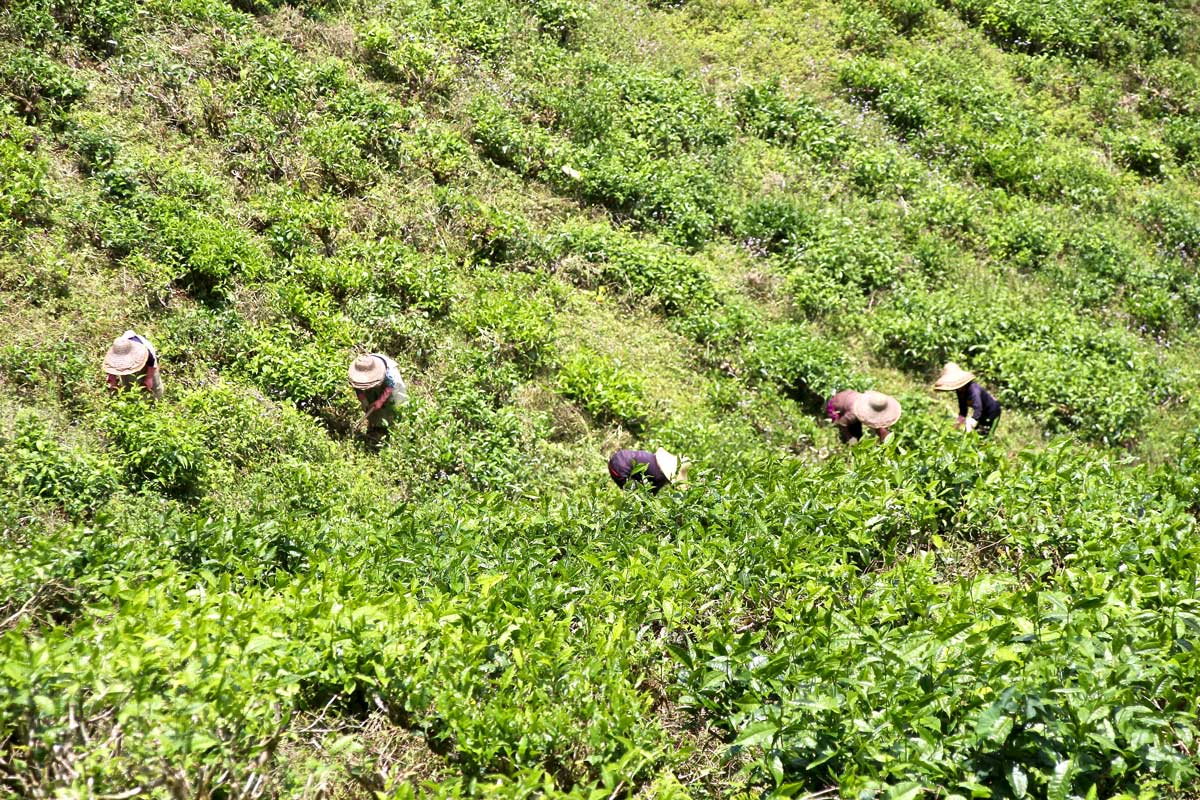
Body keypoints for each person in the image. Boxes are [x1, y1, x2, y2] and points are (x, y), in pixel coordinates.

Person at [934, 362, 1001, 436]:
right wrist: (959, 420)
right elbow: (963, 407)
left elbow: (978, 407)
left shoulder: (974, 389)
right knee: (977, 433)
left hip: (992, 411)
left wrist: (973, 420)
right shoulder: (960, 390)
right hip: (983, 412)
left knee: (984, 433)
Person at [348, 353, 408, 433]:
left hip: (391, 385)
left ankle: (395, 428)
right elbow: (356, 386)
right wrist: (363, 399)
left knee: (396, 403)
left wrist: (380, 401)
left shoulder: (388, 373)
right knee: (371, 404)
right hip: (374, 385)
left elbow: (391, 384)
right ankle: (376, 425)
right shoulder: (357, 372)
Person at [103, 330, 163, 398]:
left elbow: (152, 363)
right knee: (128, 386)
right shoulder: (117, 350)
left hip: (148, 365)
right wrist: (111, 377)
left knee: (154, 388)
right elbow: (111, 365)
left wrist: (149, 378)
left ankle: (155, 401)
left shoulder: (144, 351)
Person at [608, 447, 689, 492]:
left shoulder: (655, 459)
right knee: (636, 496)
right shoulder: (660, 477)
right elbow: (650, 496)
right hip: (620, 469)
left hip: (619, 455)